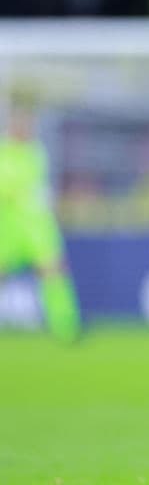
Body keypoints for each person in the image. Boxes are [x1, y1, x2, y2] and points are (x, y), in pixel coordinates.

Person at [0, 99, 81, 343]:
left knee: (54, 271)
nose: (24, 128)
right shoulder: (5, 152)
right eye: (20, 123)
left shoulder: (36, 151)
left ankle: (65, 326)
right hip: (9, 225)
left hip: (37, 226)